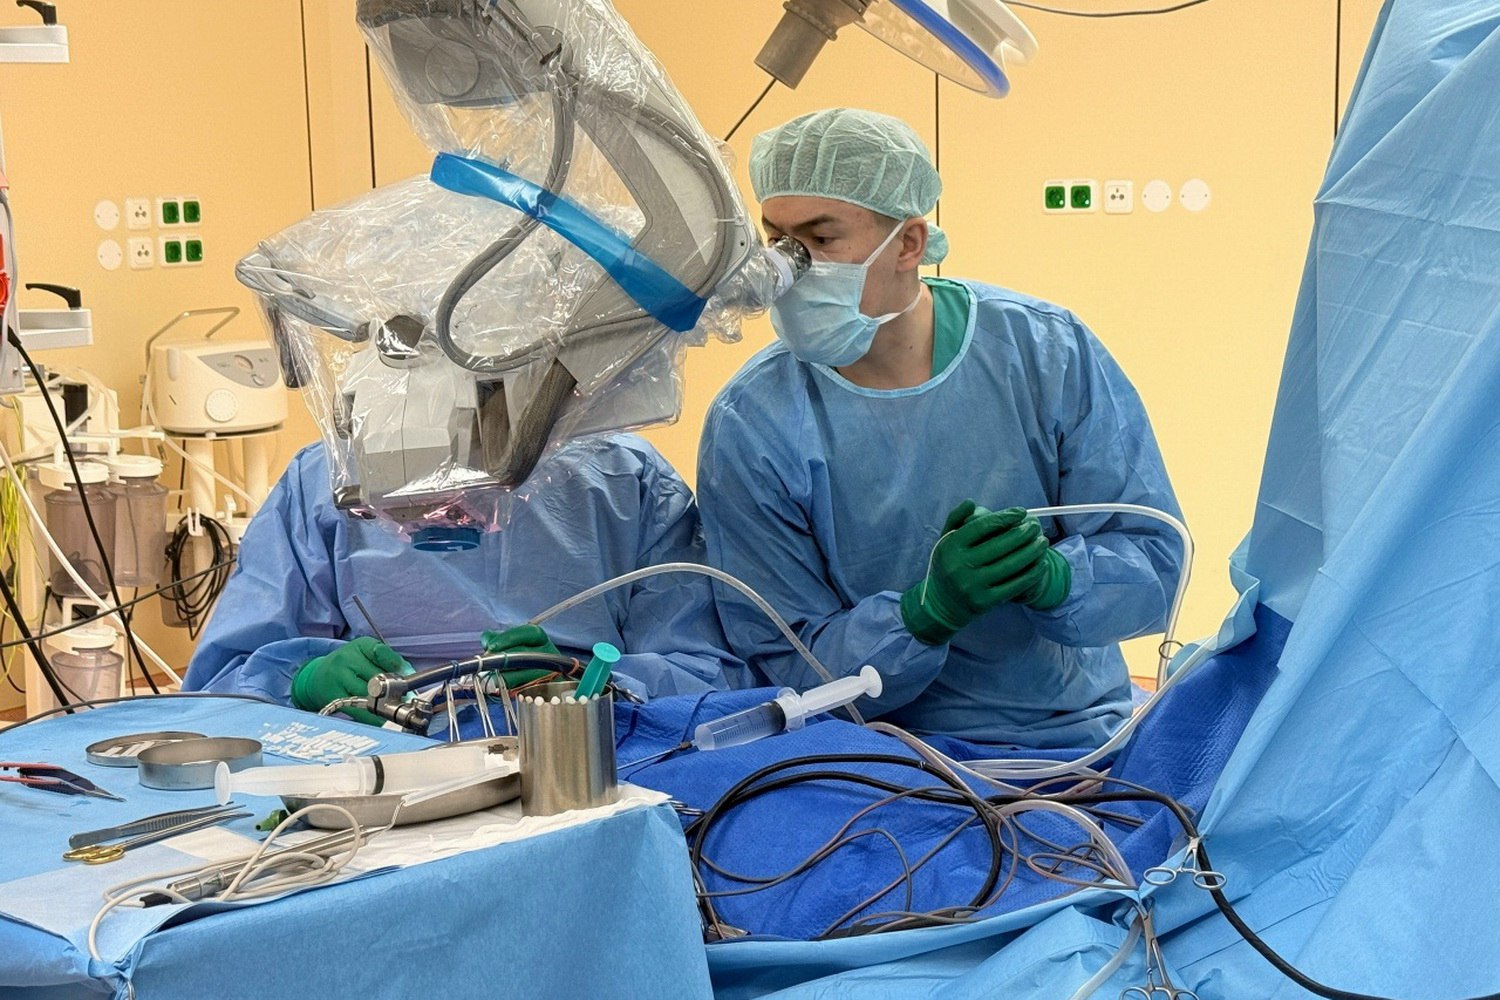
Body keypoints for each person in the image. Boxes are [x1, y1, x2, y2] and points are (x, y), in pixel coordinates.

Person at [697, 108, 1183, 749]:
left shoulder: (1044, 353)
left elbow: (1156, 559)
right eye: (777, 239)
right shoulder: (752, 424)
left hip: (1074, 735)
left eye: (820, 238)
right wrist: (922, 616)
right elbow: (784, 663)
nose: (786, 269)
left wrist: (1054, 579)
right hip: (875, 754)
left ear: (908, 244)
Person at [184, 434, 742, 725]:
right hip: (368, 781)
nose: (448, 517)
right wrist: (300, 683)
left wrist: (585, 683)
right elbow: (216, 693)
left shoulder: (623, 479)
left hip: (582, 763)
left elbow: (712, 682)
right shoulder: (324, 481)